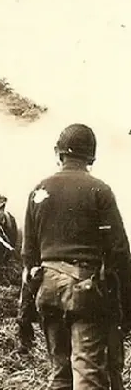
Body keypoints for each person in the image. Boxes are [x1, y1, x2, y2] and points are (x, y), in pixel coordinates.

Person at [22, 123, 131, 389]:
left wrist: (24, 313)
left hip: (47, 292)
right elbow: (119, 254)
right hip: (84, 294)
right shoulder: (100, 191)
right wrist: (126, 310)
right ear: (91, 157)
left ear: (59, 154)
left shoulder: (38, 191)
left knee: (59, 374)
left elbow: (28, 257)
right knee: (88, 373)